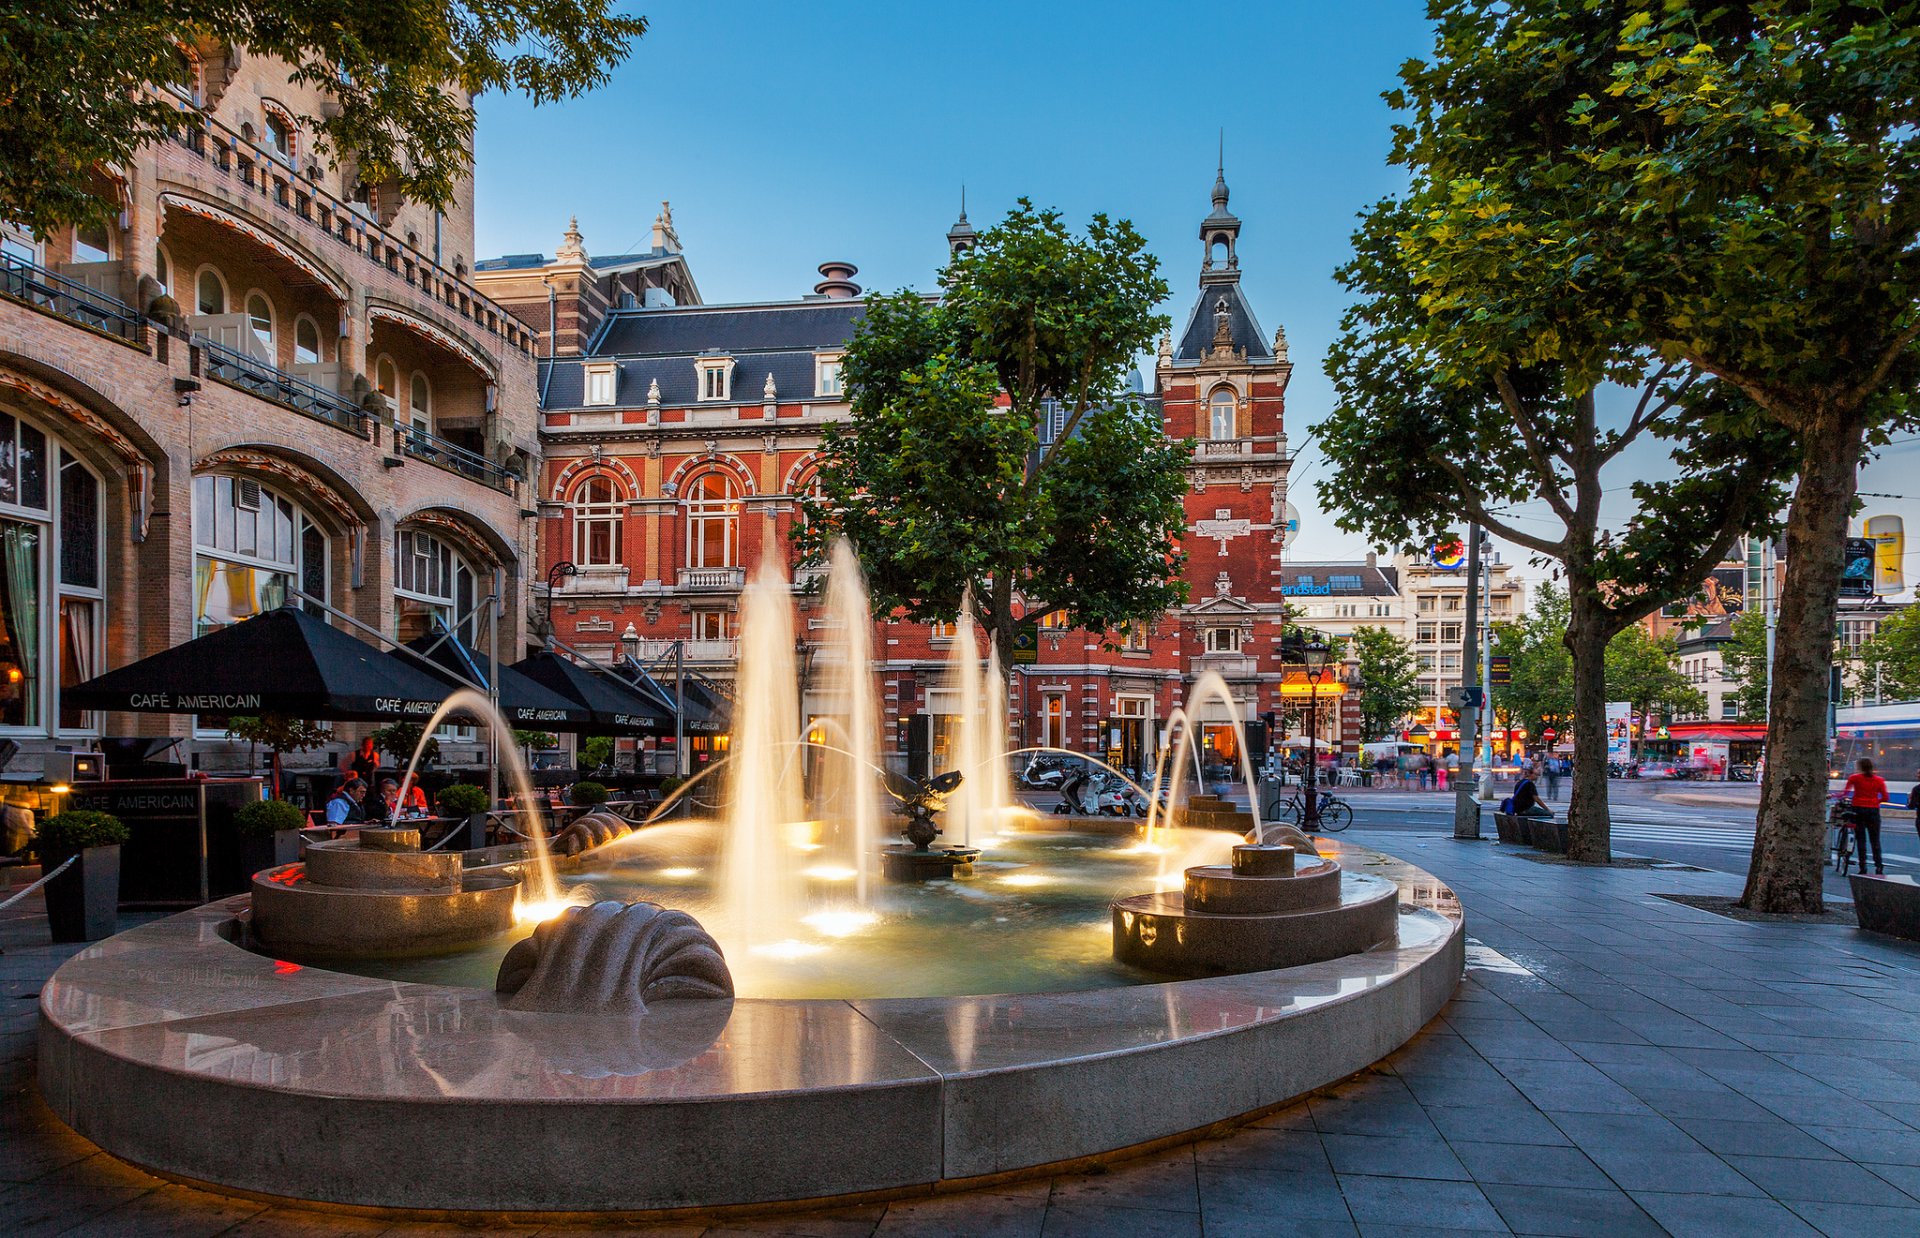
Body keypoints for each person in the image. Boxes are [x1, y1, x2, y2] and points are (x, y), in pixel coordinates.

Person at [1842, 758, 1890, 876]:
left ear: (1859, 767)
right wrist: (1875, 801)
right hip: (1873, 811)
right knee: (1875, 840)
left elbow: (1845, 793)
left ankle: (1863, 867)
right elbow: (1885, 798)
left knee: (1861, 840)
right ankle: (1879, 866)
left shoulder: (1854, 778)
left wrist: (1833, 796)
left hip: (1858, 810)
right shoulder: (1879, 780)